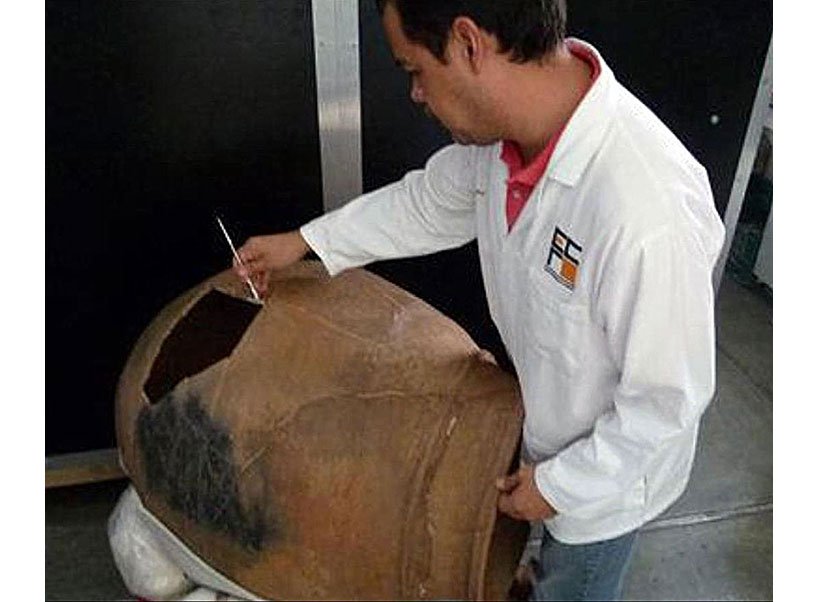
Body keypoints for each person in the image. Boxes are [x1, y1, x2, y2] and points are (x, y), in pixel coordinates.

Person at [234, 1, 725, 599]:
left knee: (575, 580)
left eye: (415, 69)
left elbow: (666, 403)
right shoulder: (508, 141)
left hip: (608, 485)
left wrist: (560, 487)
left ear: (469, 43)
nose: (416, 93)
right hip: (549, 427)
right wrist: (307, 242)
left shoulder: (645, 212)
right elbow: (426, 203)